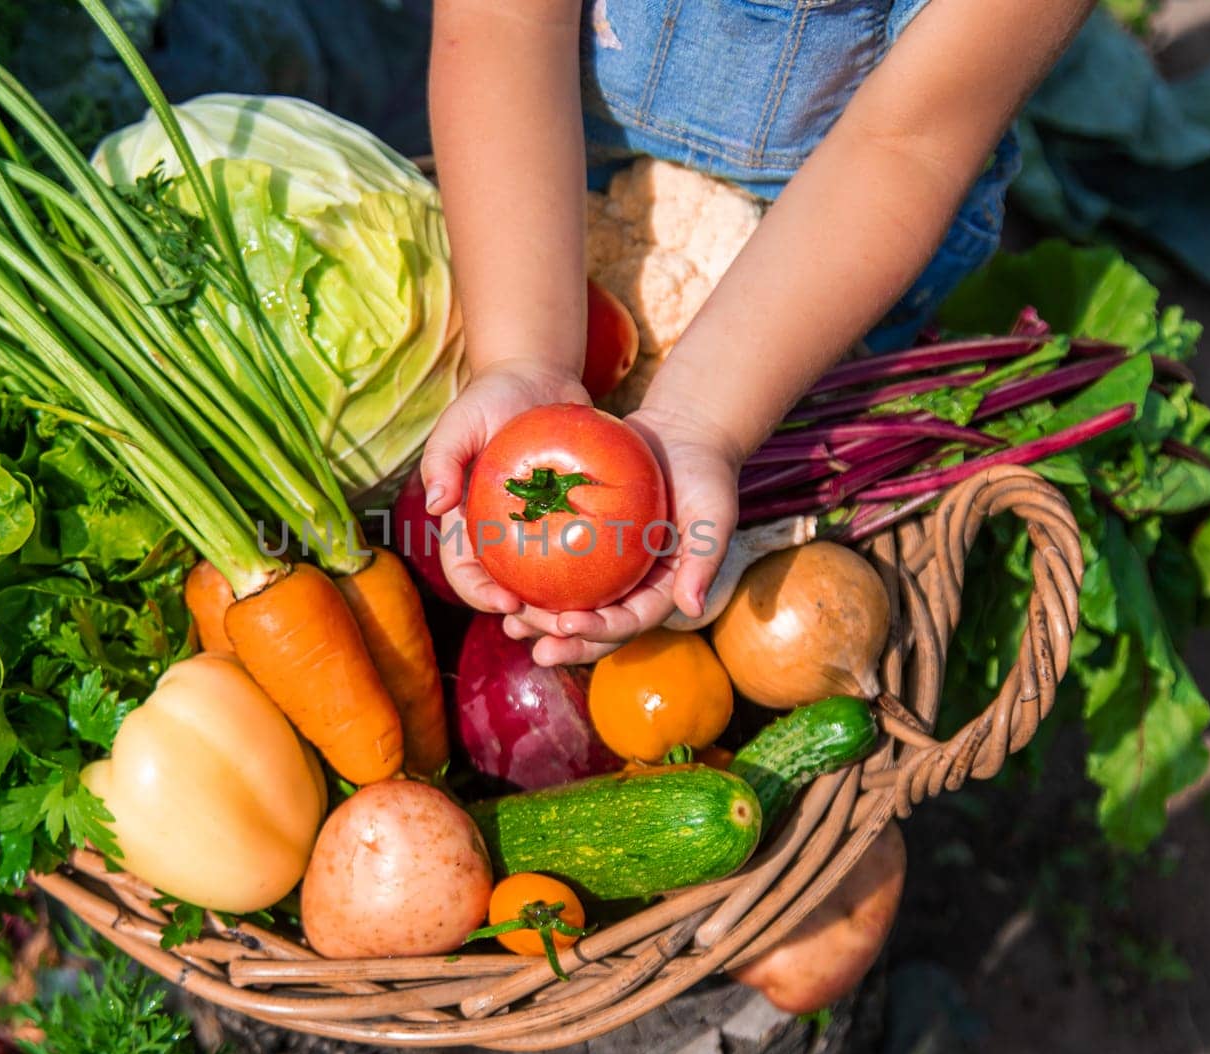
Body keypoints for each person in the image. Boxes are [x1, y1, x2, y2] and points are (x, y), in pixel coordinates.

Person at [419, 0, 1090, 665]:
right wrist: (522, 355)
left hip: (823, 286)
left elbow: (906, 148)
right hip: (543, 191)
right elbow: (503, 24)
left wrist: (702, 423)